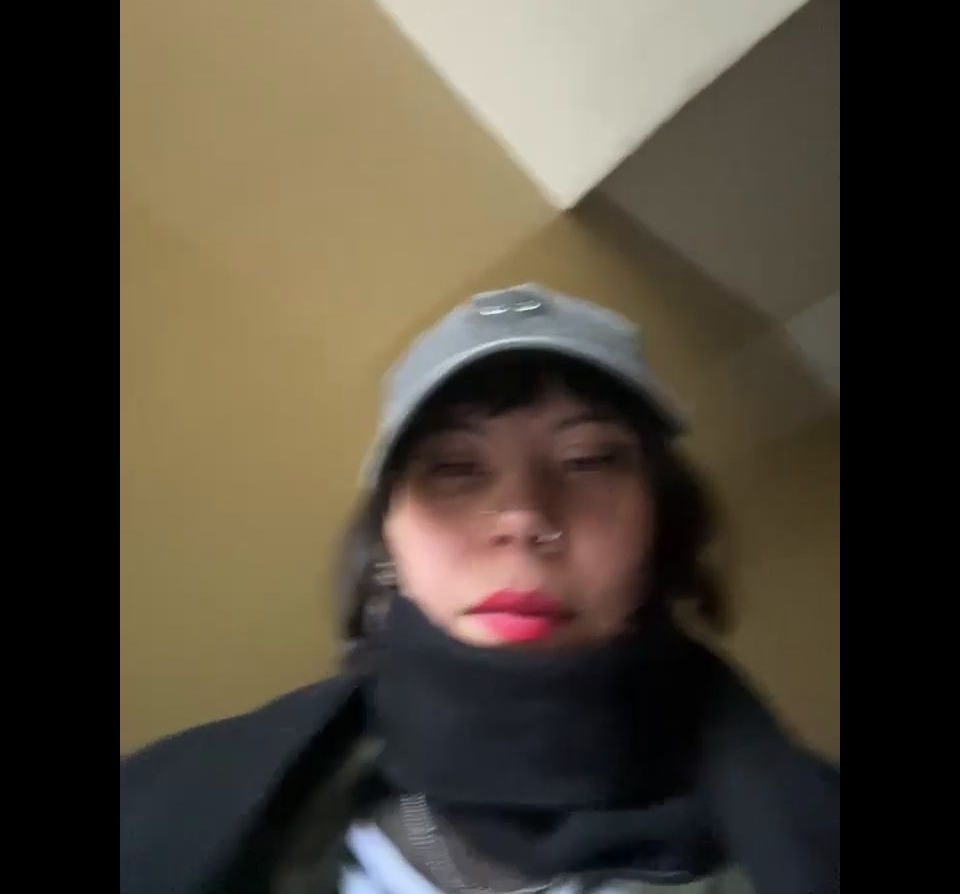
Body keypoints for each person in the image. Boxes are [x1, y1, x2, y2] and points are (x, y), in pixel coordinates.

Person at [121, 283, 840, 894]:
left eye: (588, 459)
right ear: (387, 544)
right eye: (455, 468)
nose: (523, 515)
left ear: (662, 527)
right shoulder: (155, 806)